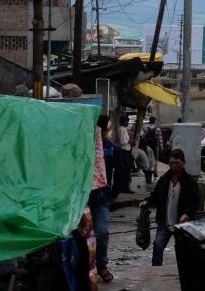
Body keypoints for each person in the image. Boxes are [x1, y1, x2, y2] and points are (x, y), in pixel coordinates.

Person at [139, 149, 200, 266]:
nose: (174, 165)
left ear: (183, 163)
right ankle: (156, 272)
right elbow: (155, 196)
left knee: (184, 251)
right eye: (171, 163)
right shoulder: (164, 180)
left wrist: (187, 214)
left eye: (177, 163)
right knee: (157, 246)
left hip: (182, 226)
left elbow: (194, 202)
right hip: (164, 223)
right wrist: (146, 201)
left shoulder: (190, 182)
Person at [89, 115, 113, 283]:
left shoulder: (111, 148)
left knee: (102, 232)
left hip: (102, 200)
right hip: (83, 200)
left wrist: (114, 193)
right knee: (79, 237)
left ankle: (102, 265)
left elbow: (123, 170)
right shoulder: (84, 147)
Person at [112, 115, 133, 196]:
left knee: (127, 170)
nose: (127, 123)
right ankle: (125, 187)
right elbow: (122, 142)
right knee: (125, 170)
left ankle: (125, 186)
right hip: (124, 151)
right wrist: (129, 141)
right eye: (127, 121)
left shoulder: (123, 129)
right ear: (123, 121)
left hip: (126, 151)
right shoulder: (121, 129)